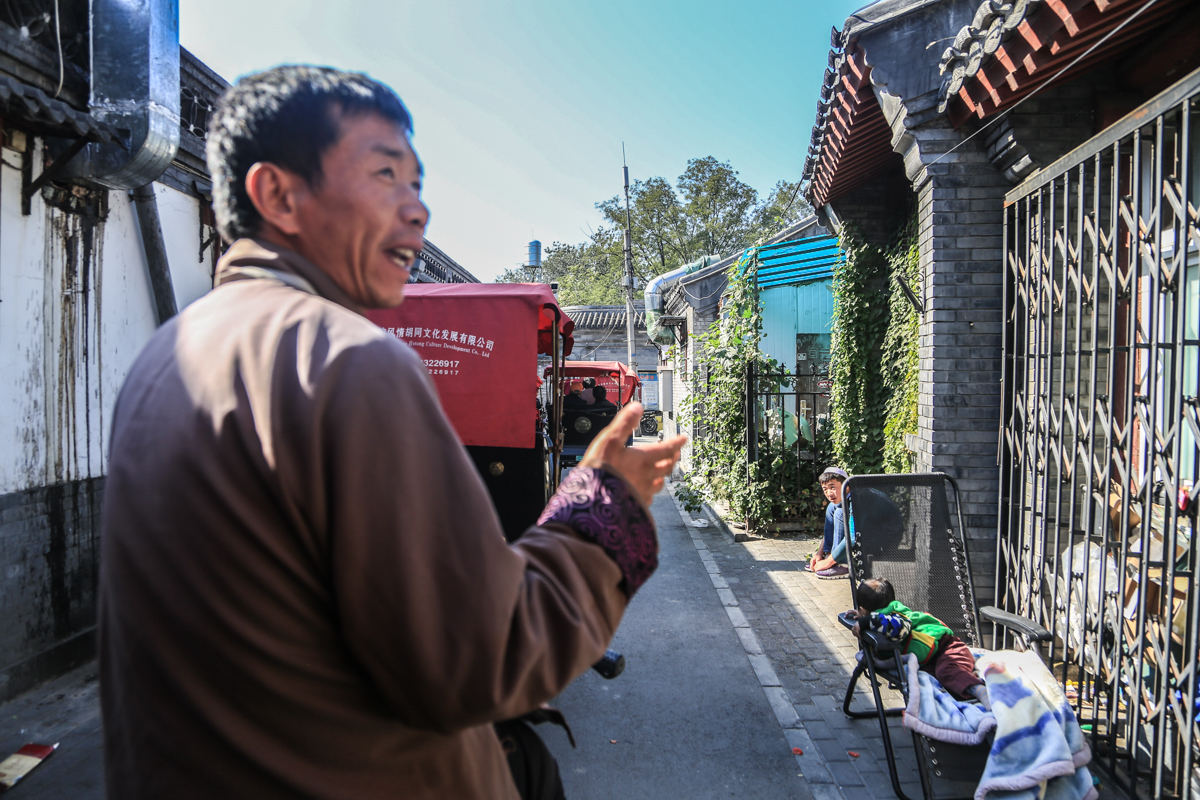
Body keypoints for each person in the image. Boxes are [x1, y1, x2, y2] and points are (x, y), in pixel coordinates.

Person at [98, 65, 686, 800]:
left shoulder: (163, 358)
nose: (417, 211)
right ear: (277, 194)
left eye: (417, 184)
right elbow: (483, 656)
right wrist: (604, 510)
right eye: (385, 176)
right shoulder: (349, 362)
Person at [849, 578, 989, 707]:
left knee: (947, 672)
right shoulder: (880, 617)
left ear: (863, 609)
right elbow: (879, 620)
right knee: (932, 682)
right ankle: (967, 680)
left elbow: (897, 628)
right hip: (930, 658)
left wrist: (866, 620)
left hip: (947, 648)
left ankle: (982, 692)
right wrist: (865, 617)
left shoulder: (896, 617)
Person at [807, 467, 849, 579]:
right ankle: (829, 554)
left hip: (884, 538)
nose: (829, 493)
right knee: (832, 507)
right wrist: (819, 554)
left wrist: (828, 562)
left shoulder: (856, 499)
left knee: (840, 512)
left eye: (832, 487)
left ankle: (843, 564)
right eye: (825, 489)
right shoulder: (841, 500)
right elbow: (831, 529)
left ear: (847, 486)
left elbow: (852, 537)